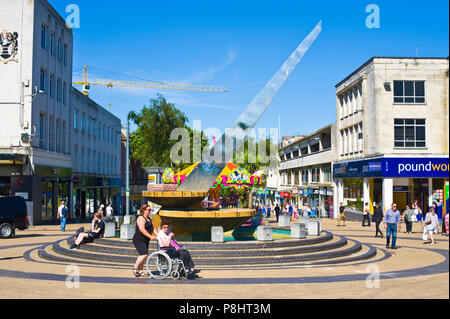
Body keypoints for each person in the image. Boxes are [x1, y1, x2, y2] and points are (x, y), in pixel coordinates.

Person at [131, 204, 157, 277]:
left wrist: (159, 235)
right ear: (144, 210)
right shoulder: (140, 218)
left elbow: (153, 229)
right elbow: (142, 229)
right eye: (149, 210)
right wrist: (151, 236)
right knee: (144, 254)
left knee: (144, 255)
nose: (150, 211)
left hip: (145, 240)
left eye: (150, 210)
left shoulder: (149, 219)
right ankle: (135, 268)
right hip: (139, 239)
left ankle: (141, 271)